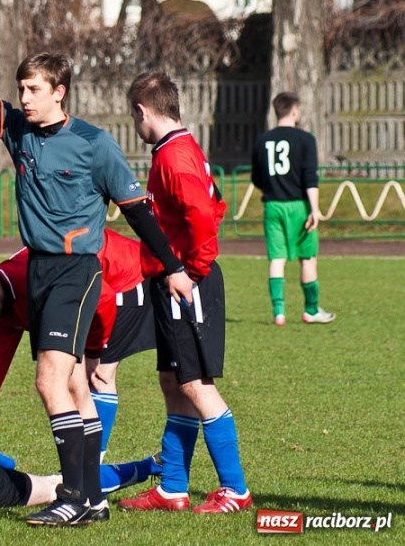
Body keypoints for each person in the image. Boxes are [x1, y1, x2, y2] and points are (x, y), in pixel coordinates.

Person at [0, 0, 193, 527]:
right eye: (22, 90)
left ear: (59, 93)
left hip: (76, 272)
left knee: (49, 382)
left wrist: (172, 266)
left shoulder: (95, 145)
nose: (24, 99)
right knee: (75, 386)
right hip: (38, 271)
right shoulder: (18, 132)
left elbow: (140, 214)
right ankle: (93, 499)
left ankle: (75, 497)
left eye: (34, 90)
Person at [119, 71, 251, 514]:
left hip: (185, 283)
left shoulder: (174, 157)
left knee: (194, 384)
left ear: (142, 111)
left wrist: (189, 271)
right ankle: (172, 487)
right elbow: (215, 202)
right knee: (172, 381)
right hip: (172, 280)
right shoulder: (179, 148)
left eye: (133, 119)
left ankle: (235, 488)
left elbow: (202, 216)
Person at [0, 229, 156, 464]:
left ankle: (92, 469)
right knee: (73, 378)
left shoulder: (32, 278)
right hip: (96, 290)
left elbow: (103, 297)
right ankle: (88, 470)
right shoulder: (3, 309)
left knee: (98, 375)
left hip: (125, 277)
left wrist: (97, 349)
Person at [252, 92, 335, 326]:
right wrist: (315, 209)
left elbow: (257, 177)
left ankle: (279, 312)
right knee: (307, 258)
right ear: (295, 111)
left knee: (276, 259)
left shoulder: (262, 141)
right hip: (299, 205)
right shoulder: (306, 139)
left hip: (272, 206)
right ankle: (311, 309)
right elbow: (310, 177)